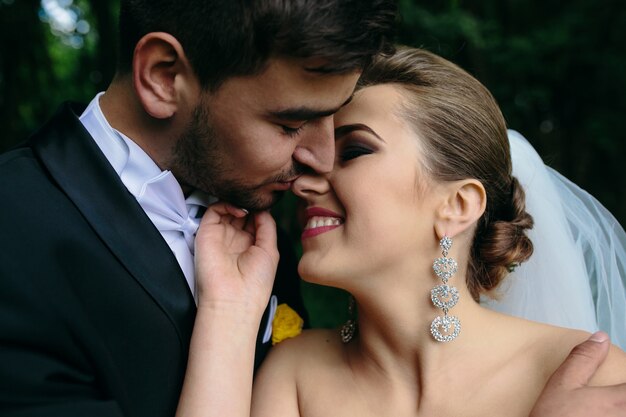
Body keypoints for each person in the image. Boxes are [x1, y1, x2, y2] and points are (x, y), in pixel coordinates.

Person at [0, 1, 397, 416]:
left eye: (332, 120)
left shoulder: (262, 234)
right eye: (291, 124)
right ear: (163, 77)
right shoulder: (13, 229)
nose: (322, 158)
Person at [184, 47, 626, 417]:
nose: (304, 181)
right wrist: (227, 310)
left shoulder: (586, 375)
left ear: (458, 205)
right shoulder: (296, 375)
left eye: (353, 150)